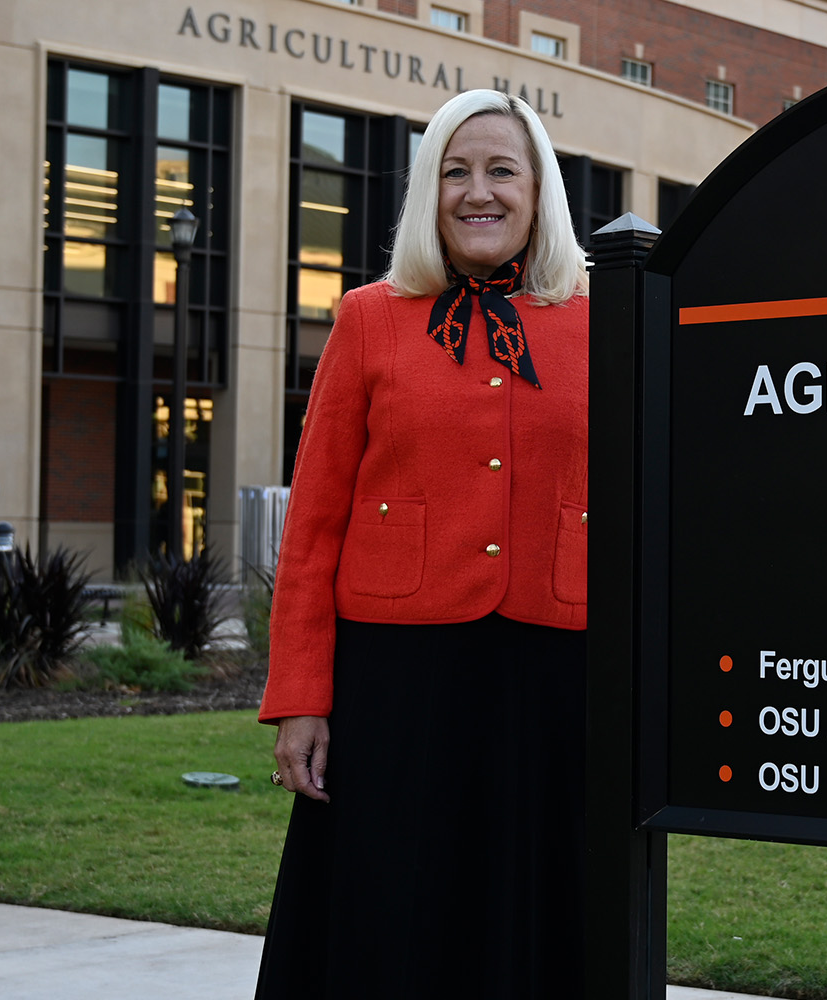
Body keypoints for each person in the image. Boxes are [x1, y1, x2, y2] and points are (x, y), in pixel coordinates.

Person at [253, 89, 590, 999]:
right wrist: (300, 698)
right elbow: (315, 520)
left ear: (538, 190)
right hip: (394, 679)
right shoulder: (370, 316)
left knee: (531, 915)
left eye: (500, 170)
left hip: (553, 676)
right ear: (427, 191)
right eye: (455, 172)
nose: (477, 192)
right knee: (389, 912)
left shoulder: (604, 318)